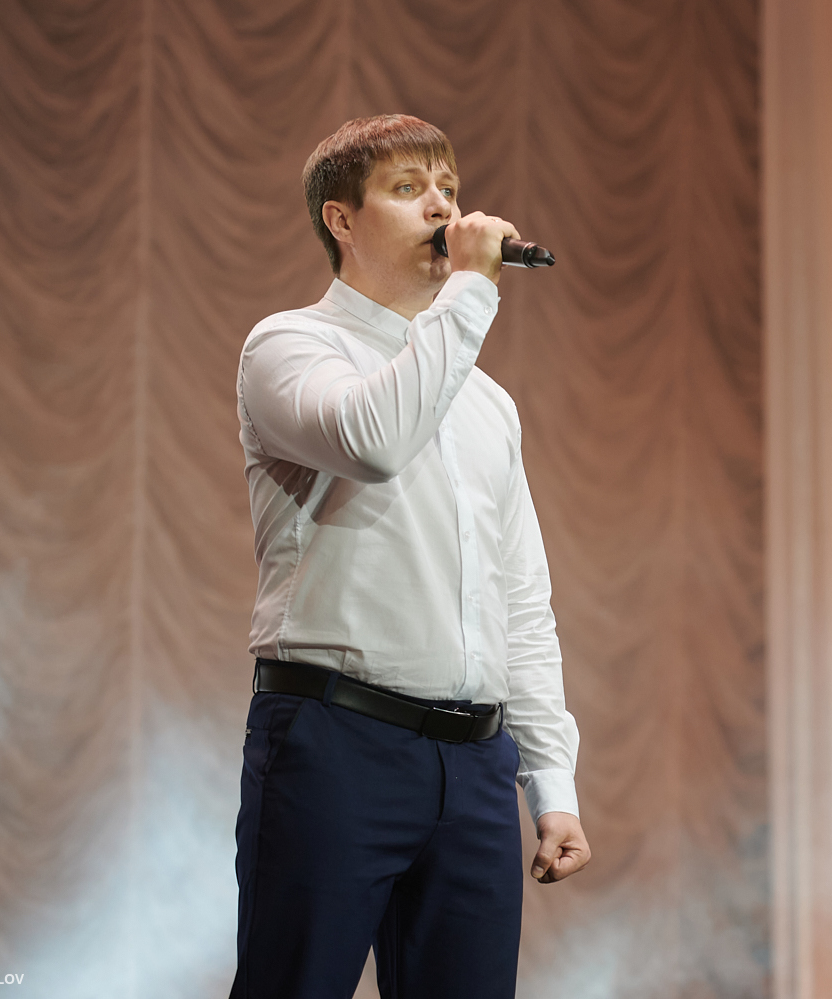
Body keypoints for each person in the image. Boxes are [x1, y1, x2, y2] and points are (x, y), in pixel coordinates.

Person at [229, 113, 589, 999]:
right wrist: (471, 287)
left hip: (475, 766)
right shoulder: (289, 346)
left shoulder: (488, 404)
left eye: (450, 190)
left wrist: (552, 783)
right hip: (336, 741)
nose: (442, 208)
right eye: (408, 188)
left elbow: (520, 600)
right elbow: (375, 437)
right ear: (340, 220)